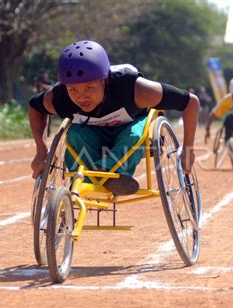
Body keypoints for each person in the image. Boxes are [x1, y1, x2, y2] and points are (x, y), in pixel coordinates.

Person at [28, 40, 199, 195]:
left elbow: (191, 103)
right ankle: (84, 182)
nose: (81, 97)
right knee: (74, 134)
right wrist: (41, 150)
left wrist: (188, 149)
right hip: (91, 138)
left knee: (135, 134)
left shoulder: (134, 89)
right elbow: (35, 108)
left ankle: (111, 174)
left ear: (105, 80)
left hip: (129, 133)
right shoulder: (60, 97)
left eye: (90, 88)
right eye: (73, 90)